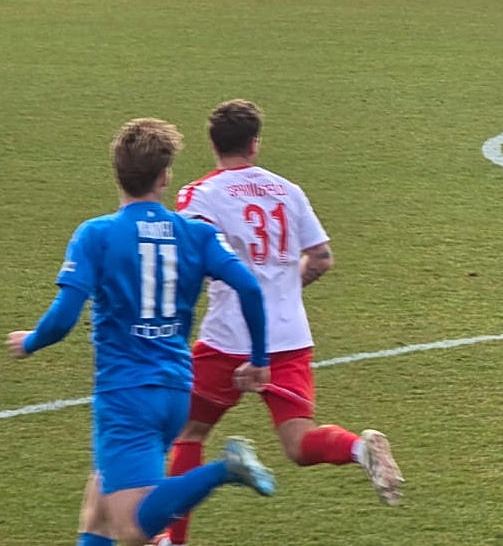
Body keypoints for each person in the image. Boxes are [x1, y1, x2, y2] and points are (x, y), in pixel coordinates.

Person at [6, 117, 276, 546]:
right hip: (175, 392)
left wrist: (30, 341)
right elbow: (249, 288)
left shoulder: (97, 235)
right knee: (97, 512)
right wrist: (259, 359)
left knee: (131, 527)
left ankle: (226, 468)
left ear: (117, 173)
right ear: (165, 176)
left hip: (125, 396)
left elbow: (62, 319)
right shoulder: (198, 233)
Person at [152, 102, 401, 546]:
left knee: (189, 432)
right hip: (288, 335)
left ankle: (173, 539)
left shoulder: (200, 194)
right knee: (299, 443)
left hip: (229, 337)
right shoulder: (288, 190)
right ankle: (359, 448)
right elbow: (321, 257)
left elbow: (190, 256)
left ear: (213, 143)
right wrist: (284, 287)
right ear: (255, 143)